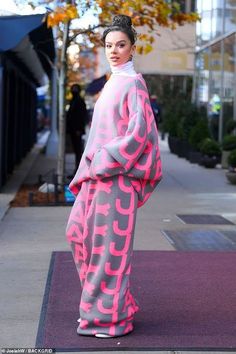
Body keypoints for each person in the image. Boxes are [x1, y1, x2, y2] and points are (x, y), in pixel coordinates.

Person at [66, 14, 162, 338]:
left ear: (132, 48)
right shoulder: (112, 82)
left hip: (116, 179)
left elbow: (142, 133)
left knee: (110, 253)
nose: (114, 50)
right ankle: (106, 307)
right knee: (77, 233)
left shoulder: (134, 83)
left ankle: (111, 320)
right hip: (96, 178)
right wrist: (89, 169)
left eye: (121, 44)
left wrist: (107, 158)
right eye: (109, 45)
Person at [66, 84, 88, 172]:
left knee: (78, 150)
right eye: (73, 89)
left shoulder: (79, 101)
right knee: (76, 150)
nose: (74, 91)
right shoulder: (73, 100)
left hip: (77, 130)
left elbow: (82, 116)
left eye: (75, 89)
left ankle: (78, 170)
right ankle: (77, 170)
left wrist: (79, 129)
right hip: (72, 129)